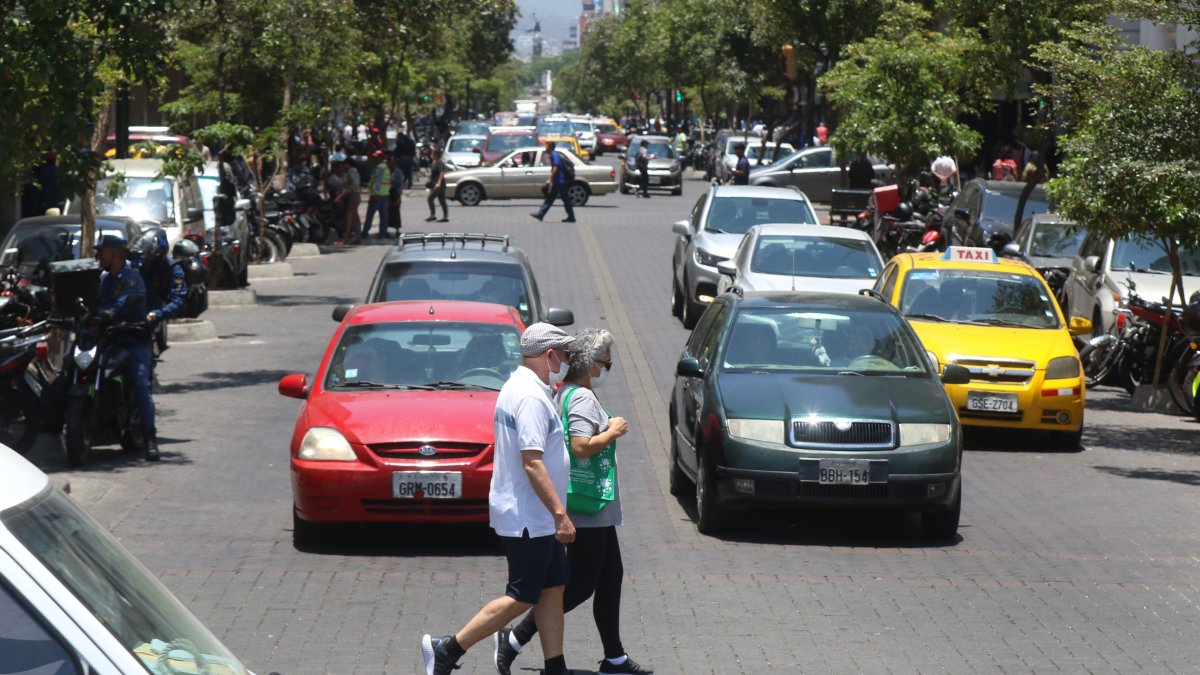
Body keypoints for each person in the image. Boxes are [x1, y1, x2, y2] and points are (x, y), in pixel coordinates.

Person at [421, 323, 578, 675]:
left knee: (553, 587)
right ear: (549, 354)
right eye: (564, 353)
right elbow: (532, 462)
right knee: (522, 594)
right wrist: (559, 514)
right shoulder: (530, 397)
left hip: (534, 515)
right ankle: (446, 650)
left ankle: (557, 666)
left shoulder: (528, 387)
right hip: (529, 516)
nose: (567, 360)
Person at [494, 329, 652, 675]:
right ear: (589, 362)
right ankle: (514, 639)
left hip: (595, 503)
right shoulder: (579, 396)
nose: (609, 364)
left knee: (611, 575)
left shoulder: (567, 391)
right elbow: (581, 445)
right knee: (579, 584)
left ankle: (615, 658)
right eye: (605, 359)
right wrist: (613, 431)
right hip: (586, 503)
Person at [95, 235, 158, 461]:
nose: (98, 255)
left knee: (141, 384)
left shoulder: (132, 279)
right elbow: (98, 303)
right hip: (110, 339)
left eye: (102, 251)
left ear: (114, 254)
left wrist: (109, 314)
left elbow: (120, 304)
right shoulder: (104, 278)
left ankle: (150, 438)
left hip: (132, 338)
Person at [135, 227, 186, 365]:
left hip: (149, 321)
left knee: (142, 371)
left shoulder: (173, 269)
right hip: (128, 318)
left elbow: (178, 301)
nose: (145, 263)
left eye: (148, 259)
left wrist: (156, 315)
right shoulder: (135, 265)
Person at [530, 141, 576, 223]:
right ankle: (541, 214)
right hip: (557, 181)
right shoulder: (554, 154)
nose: (545, 148)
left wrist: (550, 178)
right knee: (550, 198)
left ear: (551, 147)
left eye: (547, 146)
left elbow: (556, 166)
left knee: (565, 199)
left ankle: (571, 217)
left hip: (560, 181)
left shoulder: (554, 154)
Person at [363, 151, 392, 238]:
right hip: (384, 194)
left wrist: (374, 194)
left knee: (370, 214)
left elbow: (377, 182)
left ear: (381, 158)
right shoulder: (386, 167)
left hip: (377, 195)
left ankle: (365, 233)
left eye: (376, 157)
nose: (374, 159)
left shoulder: (379, 168)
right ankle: (382, 233)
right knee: (383, 215)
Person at [341, 157, 362, 244]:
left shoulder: (351, 171)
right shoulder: (352, 171)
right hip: (354, 195)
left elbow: (355, 184)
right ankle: (358, 237)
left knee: (350, 217)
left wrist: (346, 191)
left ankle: (345, 239)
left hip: (353, 195)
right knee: (355, 218)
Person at [426, 149, 449, 223]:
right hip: (436, 184)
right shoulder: (435, 163)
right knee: (442, 200)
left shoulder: (440, 163)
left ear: (436, 155)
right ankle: (445, 216)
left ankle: (433, 215)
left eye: (434, 154)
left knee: (430, 198)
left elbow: (441, 173)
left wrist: (438, 183)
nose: (432, 155)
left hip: (439, 185)